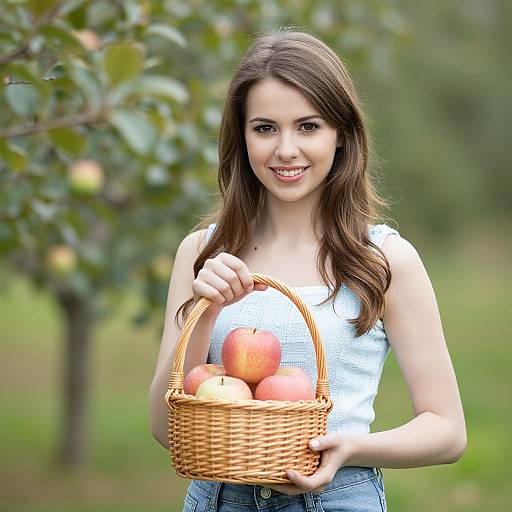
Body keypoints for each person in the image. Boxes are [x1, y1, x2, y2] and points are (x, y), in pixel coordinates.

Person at [149, 29, 466, 512]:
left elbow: (447, 429)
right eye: (265, 128)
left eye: (308, 126)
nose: (286, 150)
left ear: (341, 135)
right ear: (242, 137)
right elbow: (162, 426)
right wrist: (206, 312)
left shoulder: (382, 259)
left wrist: (350, 449)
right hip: (217, 499)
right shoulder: (203, 253)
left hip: (338, 498)